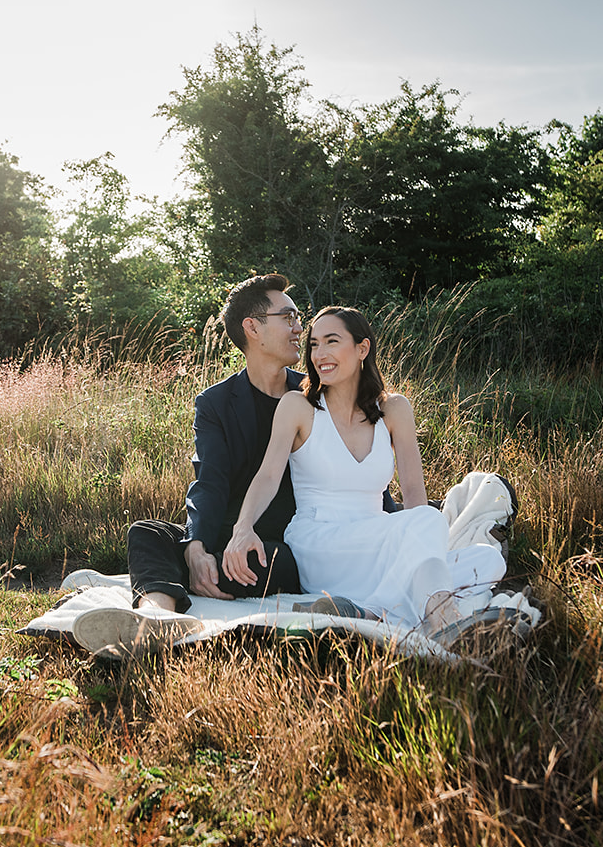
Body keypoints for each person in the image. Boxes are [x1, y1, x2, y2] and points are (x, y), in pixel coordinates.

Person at [72, 275, 392, 657]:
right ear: (252, 328)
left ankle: (174, 583)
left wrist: (390, 523)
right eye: (288, 317)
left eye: (298, 318)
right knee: (147, 532)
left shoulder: (319, 395)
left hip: (292, 545)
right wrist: (197, 546)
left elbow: (355, 467)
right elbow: (209, 483)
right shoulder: (216, 403)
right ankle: (155, 617)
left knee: (261, 562)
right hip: (230, 537)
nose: (299, 329)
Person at [222, 306, 506, 644]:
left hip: (379, 542)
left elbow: (413, 489)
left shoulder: (394, 409)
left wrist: (420, 549)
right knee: (432, 530)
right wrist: (243, 529)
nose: (319, 354)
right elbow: (267, 476)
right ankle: (442, 621)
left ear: (362, 349)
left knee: (487, 559)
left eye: (331, 341)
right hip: (322, 542)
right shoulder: (297, 407)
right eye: (313, 344)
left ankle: (364, 612)